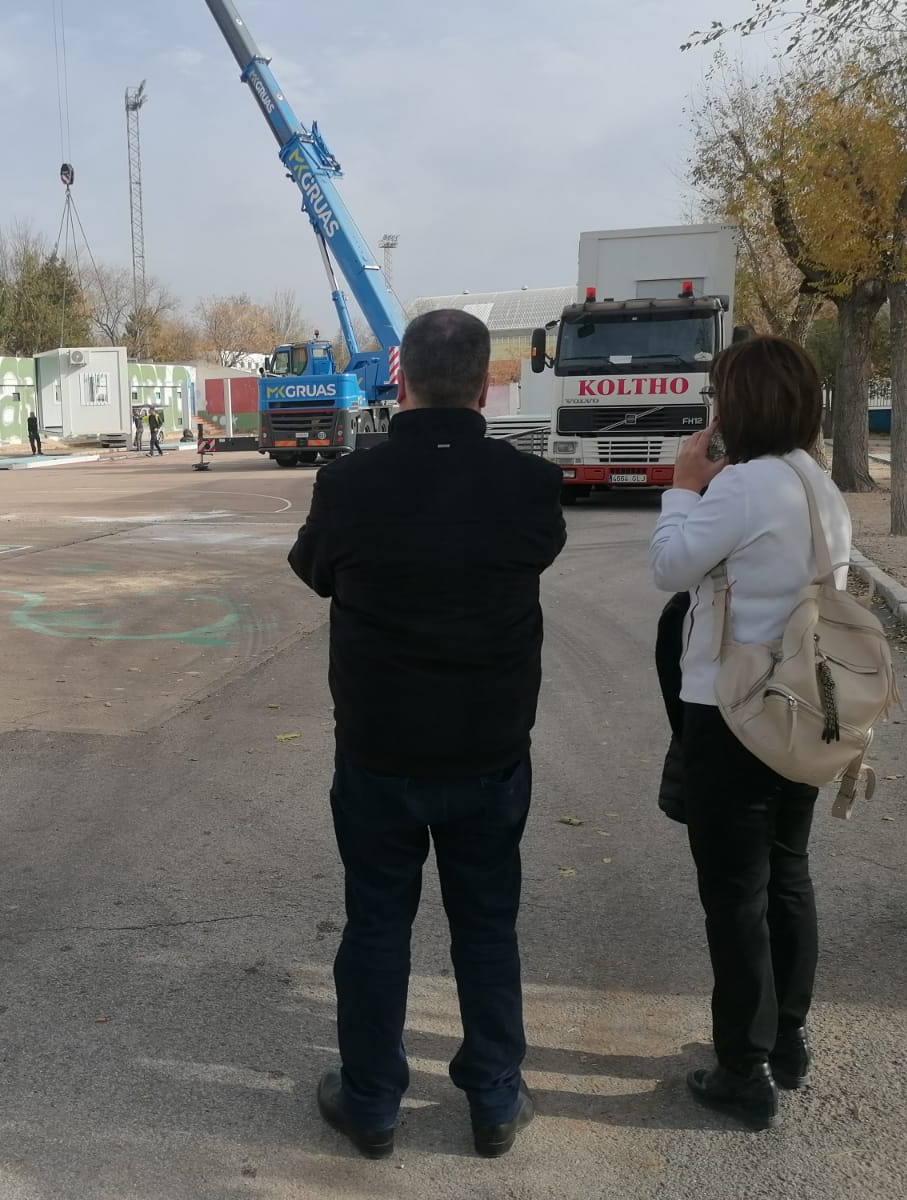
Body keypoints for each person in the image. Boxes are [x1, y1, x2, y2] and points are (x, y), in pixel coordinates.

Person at [287, 308, 566, 1160]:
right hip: (489, 749)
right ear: (486, 384)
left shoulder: (349, 484)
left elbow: (314, 570)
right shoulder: (529, 484)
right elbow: (536, 551)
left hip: (380, 751)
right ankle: (493, 1098)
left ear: (399, 377)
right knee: (487, 925)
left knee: (376, 924)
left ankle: (372, 1102)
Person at [649, 335, 851, 1131]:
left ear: (744, 405)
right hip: (805, 705)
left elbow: (670, 566)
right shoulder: (817, 483)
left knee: (735, 894)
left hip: (731, 711)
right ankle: (788, 1040)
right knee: (788, 872)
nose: (716, 409)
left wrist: (681, 487)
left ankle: (744, 1067)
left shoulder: (743, 487)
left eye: (722, 395)